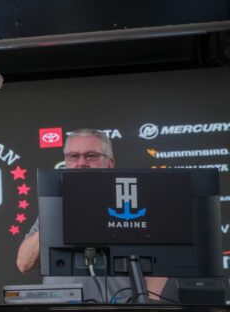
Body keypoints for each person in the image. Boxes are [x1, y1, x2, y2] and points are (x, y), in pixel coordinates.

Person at [16, 128, 174, 303]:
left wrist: (148, 305)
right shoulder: (53, 207)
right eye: (73, 156)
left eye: (91, 156)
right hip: (61, 308)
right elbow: (24, 263)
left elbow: (159, 262)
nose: (81, 163)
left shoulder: (132, 202)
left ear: (110, 163)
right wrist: (60, 211)